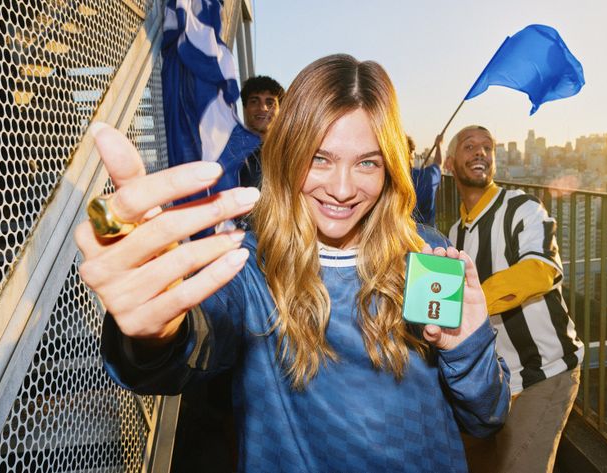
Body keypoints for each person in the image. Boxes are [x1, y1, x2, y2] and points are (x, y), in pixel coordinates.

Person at [76, 55, 510, 472]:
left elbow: (485, 417)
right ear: (288, 155)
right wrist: (157, 327)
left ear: (390, 170)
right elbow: (196, 341)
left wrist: (467, 348)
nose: (341, 189)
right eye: (320, 158)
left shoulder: (428, 256)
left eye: (366, 163)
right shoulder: (248, 265)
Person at [445, 125, 584, 473]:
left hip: (545, 372)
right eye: (469, 146)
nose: (480, 152)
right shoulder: (453, 234)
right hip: (494, 381)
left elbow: (540, 269)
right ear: (449, 164)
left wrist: (473, 303)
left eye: (487, 147)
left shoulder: (523, 207)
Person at [238, 75, 285, 189]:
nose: (263, 108)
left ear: (280, 110)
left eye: (270, 103)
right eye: (254, 101)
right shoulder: (232, 154)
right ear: (245, 108)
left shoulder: (289, 152)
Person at [408, 134, 443, 227]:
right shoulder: (425, 177)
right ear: (411, 155)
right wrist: (438, 145)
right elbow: (438, 164)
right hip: (426, 235)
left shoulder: (386, 180)